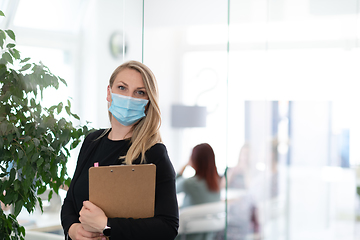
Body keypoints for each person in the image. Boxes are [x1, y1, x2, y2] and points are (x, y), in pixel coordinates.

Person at [60, 60, 179, 240]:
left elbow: (168, 227)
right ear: (109, 93)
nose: (129, 98)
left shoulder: (154, 153)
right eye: (122, 88)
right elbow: (70, 202)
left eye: (139, 92)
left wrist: (106, 225)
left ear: (147, 102)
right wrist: (74, 230)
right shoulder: (92, 141)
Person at [176, 143, 221, 240]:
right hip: (207, 236)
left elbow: (171, 188)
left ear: (194, 160)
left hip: (186, 236)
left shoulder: (189, 183)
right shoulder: (217, 182)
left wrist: (183, 168)